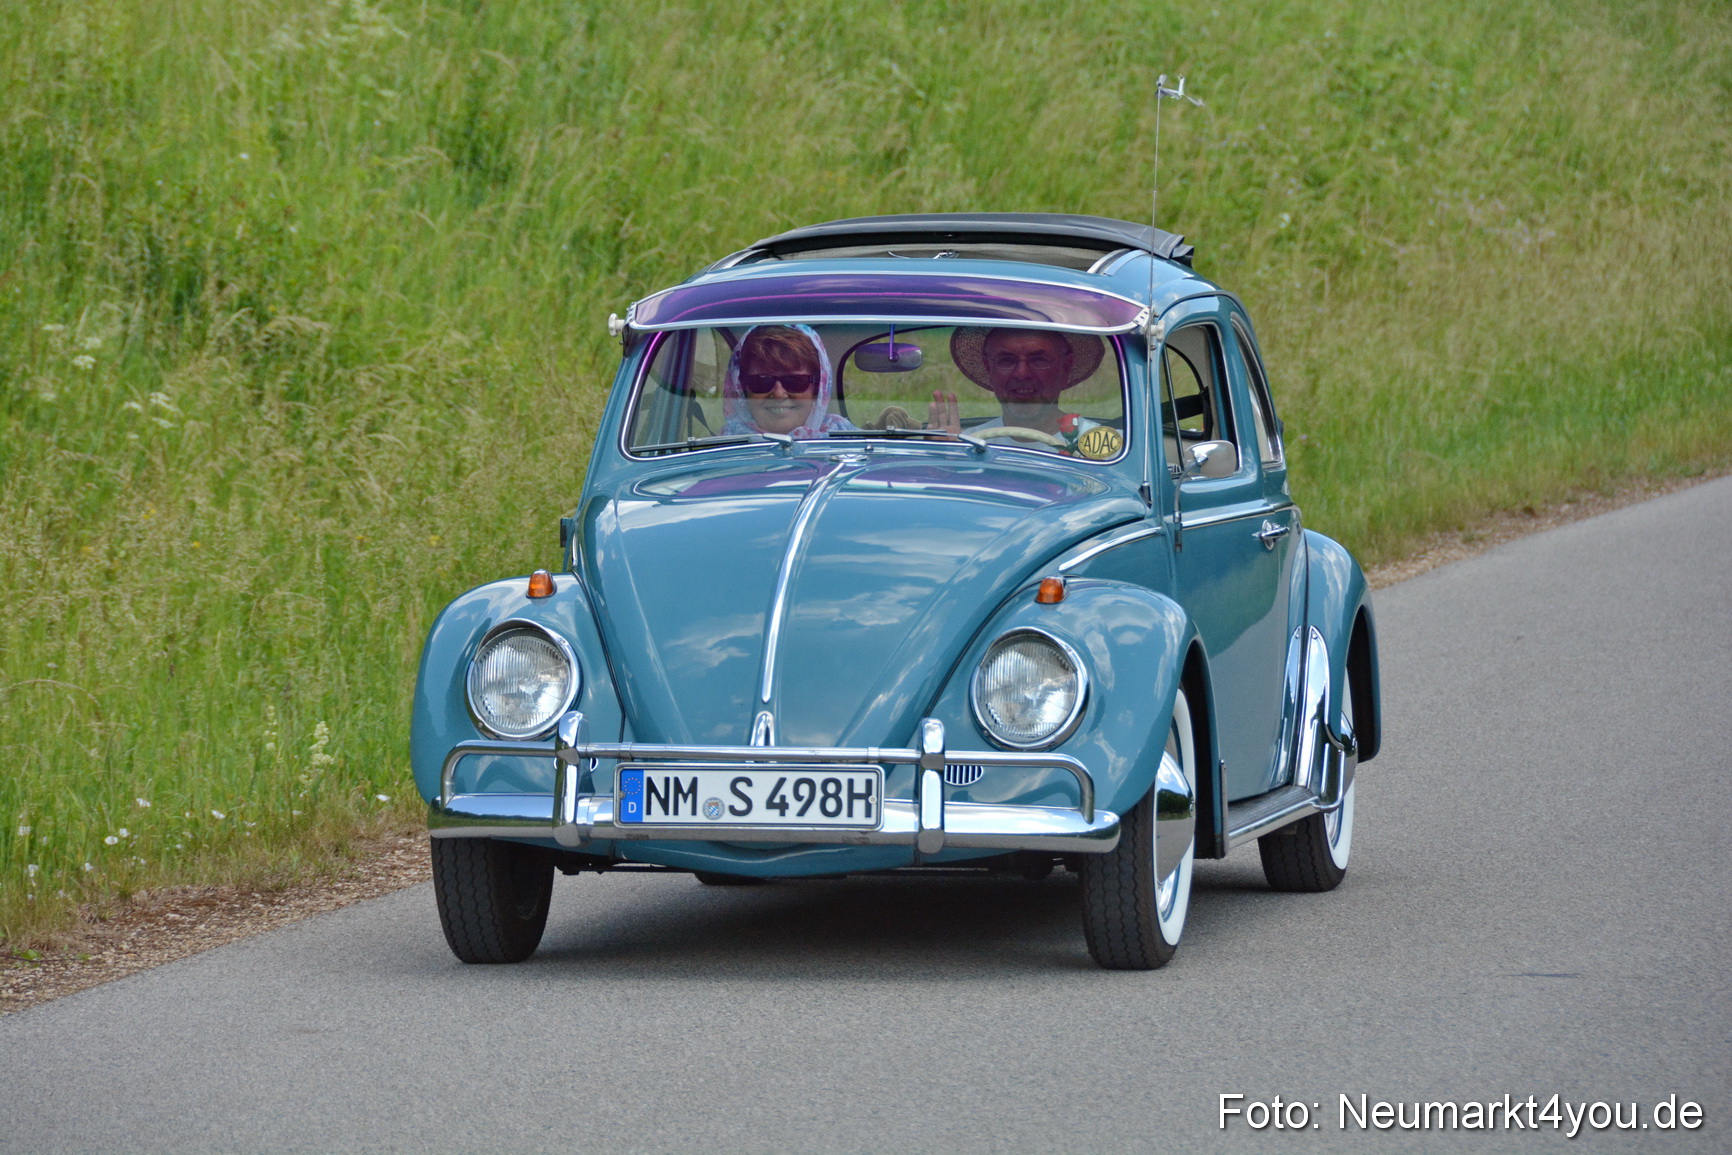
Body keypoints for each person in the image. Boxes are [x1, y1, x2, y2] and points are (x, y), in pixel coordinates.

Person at [927, 327, 1117, 456]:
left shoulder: (1105, 446)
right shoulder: (965, 445)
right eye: (1006, 361)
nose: (1022, 374)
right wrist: (943, 462)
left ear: (1065, 367)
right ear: (988, 368)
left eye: (1039, 360)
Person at [721, 324, 857, 439]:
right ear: (742, 389)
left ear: (818, 388)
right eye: (762, 381)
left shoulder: (848, 441)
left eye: (795, 381)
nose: (779, 394)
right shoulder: (723, 446)